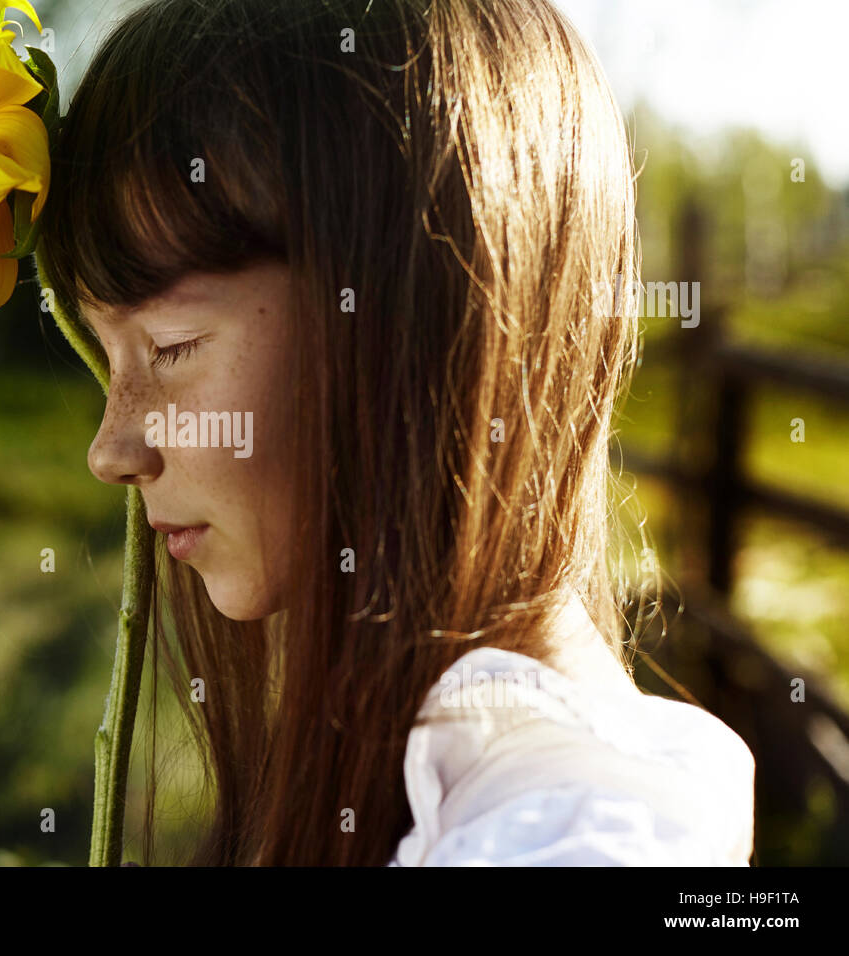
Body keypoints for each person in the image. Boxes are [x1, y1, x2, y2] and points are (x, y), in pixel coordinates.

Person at [37, 0, 755, 865]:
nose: (111, 450)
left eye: (172, 345)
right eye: (108, 356)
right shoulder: (412, 785)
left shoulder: (572, 842)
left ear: (421, 312)